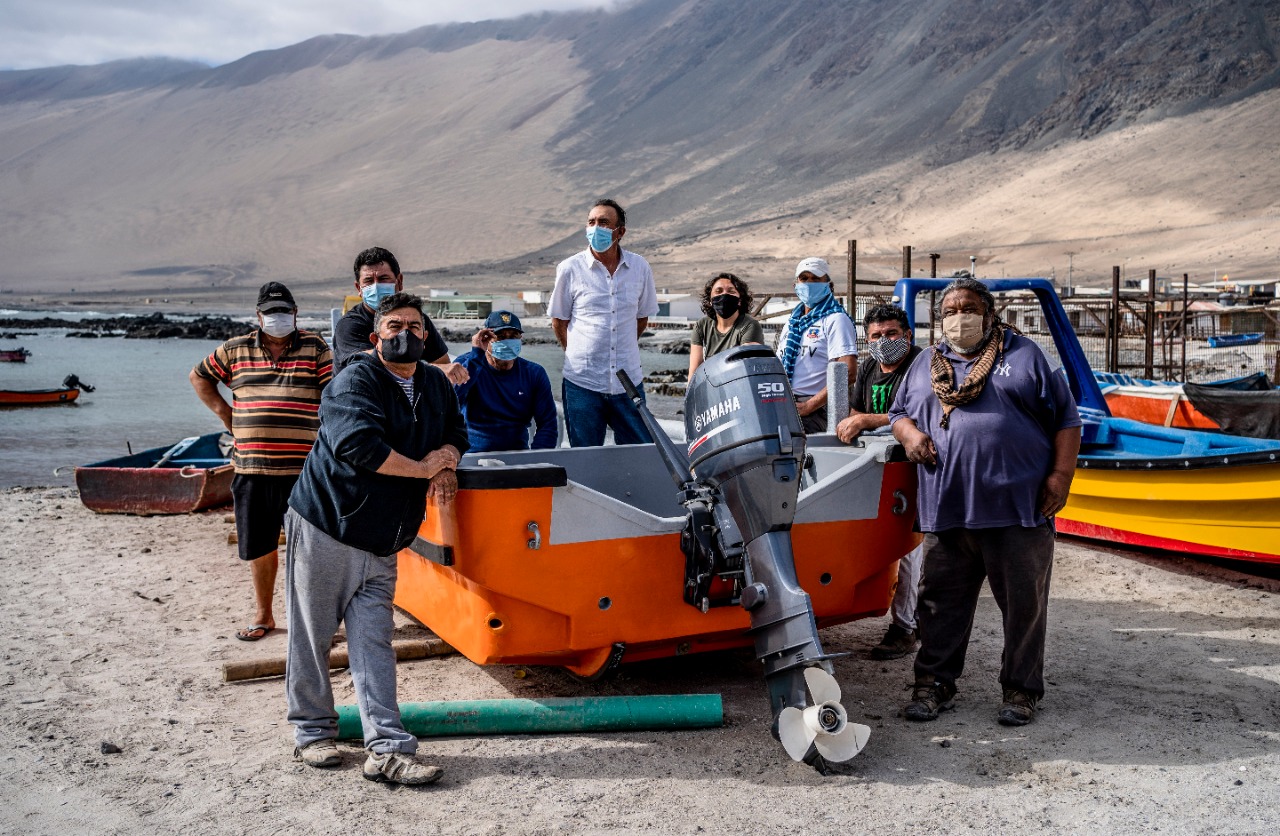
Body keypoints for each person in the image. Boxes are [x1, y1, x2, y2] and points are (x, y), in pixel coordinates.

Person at [284, 292, 468, 785]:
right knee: (312, 633)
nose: (406, 333)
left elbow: (457, 432)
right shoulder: (354, 380)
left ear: (427, 335)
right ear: (375, 337)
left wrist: (446, 461)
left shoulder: (434, 382)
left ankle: (387, 748)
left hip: (385, 538)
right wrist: (424, 469)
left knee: (374, 642)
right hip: (329, 525)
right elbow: (359, 446)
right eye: (394, 326)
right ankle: (312, 732)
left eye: (415, 326)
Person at [887, 278, 1082, 727]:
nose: (960, 318)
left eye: (969, 309)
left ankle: (1020, 690)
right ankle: (933, 684)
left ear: (989, 314)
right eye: (950, 311)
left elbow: (1067, 420)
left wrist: (1060, 476)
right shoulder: (924, 364)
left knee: (1024, 607)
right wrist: (910, 435)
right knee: (939, 605)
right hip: (946, 509)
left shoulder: (1026, 356)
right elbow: (899, 413)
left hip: (1016, 510)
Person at [189, 281, 332, 642]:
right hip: (252, 468)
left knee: (309, 549)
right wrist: (226, 414)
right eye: (270, 312)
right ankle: (264, 615)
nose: (277, 318)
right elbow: (199, 376)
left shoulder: (315, 347)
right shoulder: (234, 349)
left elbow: (334, 393)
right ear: (258, 315)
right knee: (260, 546)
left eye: (283, 311)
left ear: (295, 313)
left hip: (303, 472)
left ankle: (314, 622)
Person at [835, 304, 924, 660]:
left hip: (913, 467)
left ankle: (905, 627)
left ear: (907, 335)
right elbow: (856, 410)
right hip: (878, 467)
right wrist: (859, 421)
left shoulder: (921, 365)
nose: (884, 341)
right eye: (876, 335)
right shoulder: (870, 367)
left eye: (891, 334)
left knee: (910, 548)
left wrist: (867, 421)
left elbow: (920, 413)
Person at [548, 198, 659, 447]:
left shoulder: (640, 267)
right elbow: (558, 321)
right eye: (591, 222)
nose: (595, 228)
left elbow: (642, 317)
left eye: (604, 222)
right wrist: (577, 352)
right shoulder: (569, 268)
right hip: (582, 383)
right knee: (585, 456)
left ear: (620, 232)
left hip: (628, 382)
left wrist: (621, 345)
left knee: (639, 452)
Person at [332, 246, 468, 385]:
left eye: (383, 278)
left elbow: (444, 364)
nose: (376, 287)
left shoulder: (416, 319)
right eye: (368, 281)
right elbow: (373, 366)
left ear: (399, 281)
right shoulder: (350, 325)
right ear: (358, 288)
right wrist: (435, 371)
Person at [453, 310, 558, 453]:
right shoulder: (466, 365)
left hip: (517, 455)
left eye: (513, 336)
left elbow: (547, 424)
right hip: (473, 454)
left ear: (520, 338)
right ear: (485, 338)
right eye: (500, 336)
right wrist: (476, 357)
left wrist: (536, 460)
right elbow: (450, 404)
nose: (507, 342)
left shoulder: (534, 373)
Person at [775, 257, 858, 434]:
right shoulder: (792, 323)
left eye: (816, 279)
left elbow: (849, 372)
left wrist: (809, 406)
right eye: (804, 278)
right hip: (785, 402)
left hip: (816, 409)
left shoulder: (836, 320)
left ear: (829, 285)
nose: (809, 284)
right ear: (795, 285)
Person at [688, 272, 764, 377]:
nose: (724, 295)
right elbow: (694, 371)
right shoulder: (702, 325)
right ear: (710, 301)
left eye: (731, 291)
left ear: (740, 300)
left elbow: (747, 366)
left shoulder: (750, 325)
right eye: (718, 291)